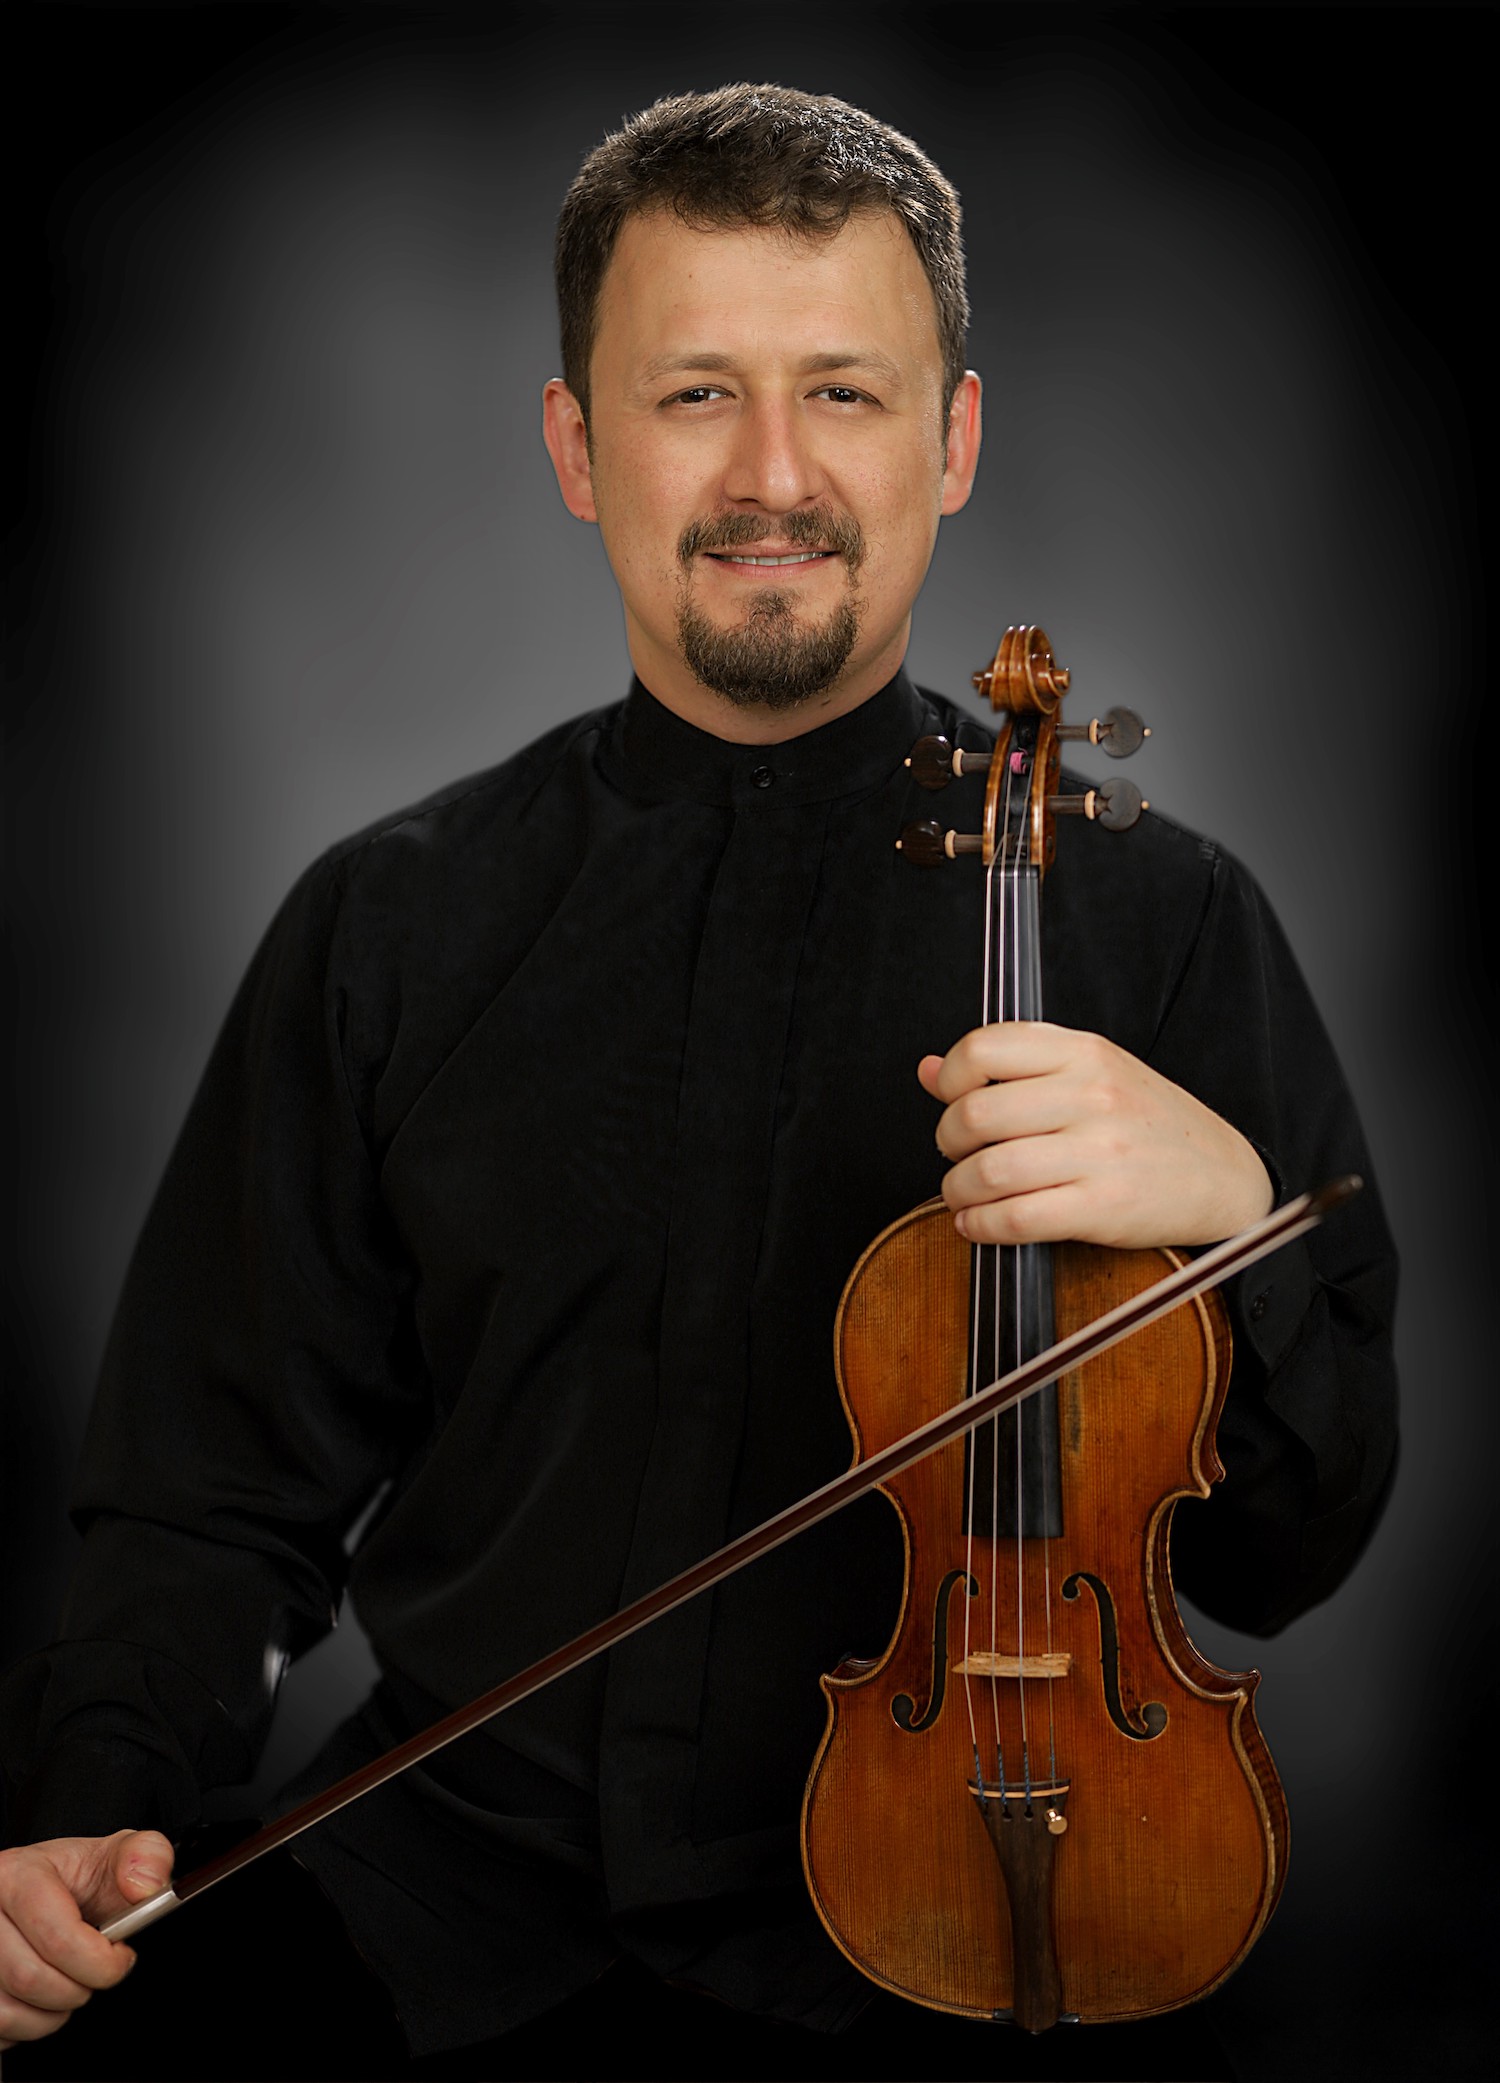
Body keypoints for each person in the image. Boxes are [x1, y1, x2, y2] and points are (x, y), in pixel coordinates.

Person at [0, 85, 1397, 2081]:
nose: (770, 475)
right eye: (691, 396)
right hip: (447, 1916)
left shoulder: (1163, 924)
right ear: (577, 449)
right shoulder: (385, 926)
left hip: (987, 1915)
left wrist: (1233, 1218)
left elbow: (1295, 1546)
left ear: (954, 440)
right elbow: (211, 1501)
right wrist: (93, 1798)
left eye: (842, 391)